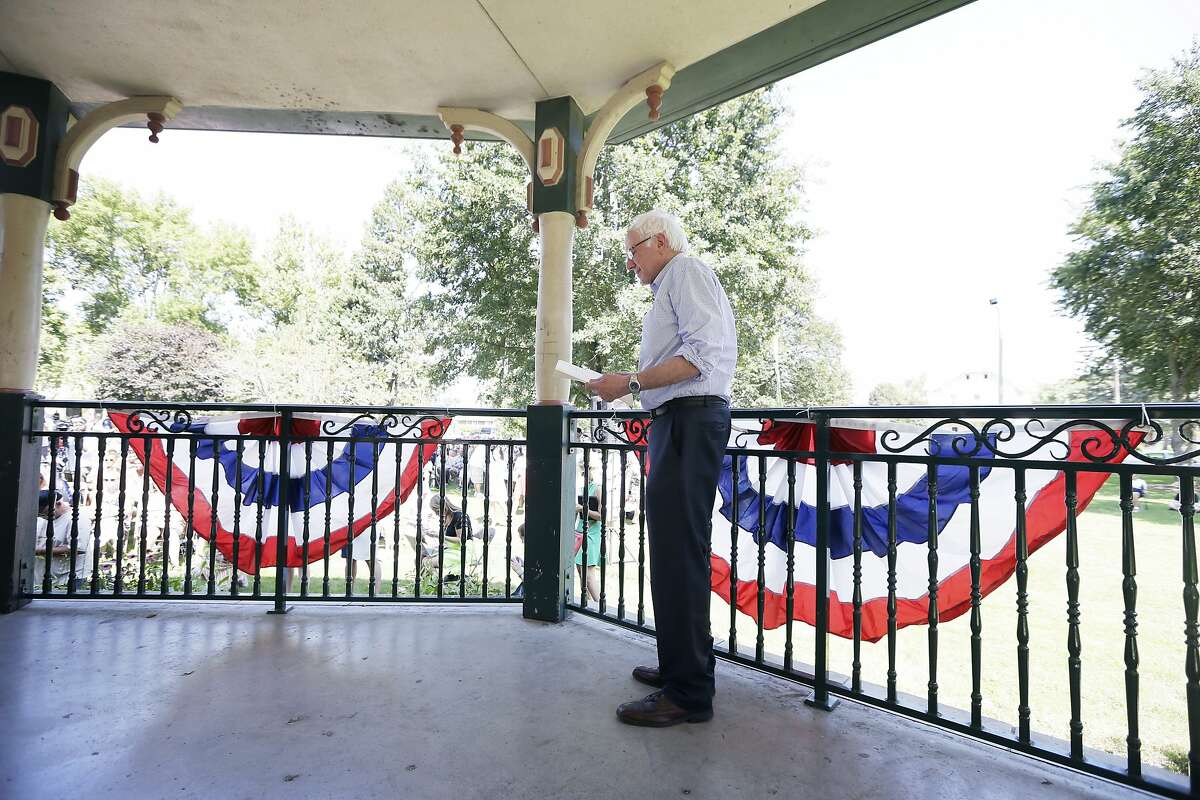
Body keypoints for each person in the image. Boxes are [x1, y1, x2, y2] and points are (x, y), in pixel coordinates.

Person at [587, 209, 737, 727]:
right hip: (677, 421)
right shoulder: (672, 283)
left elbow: (702, 357)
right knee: (671, 552)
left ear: (658, 242)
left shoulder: (687, 272)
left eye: (633, 251)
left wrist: (627, 383)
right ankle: (679, 667)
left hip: (692, 420)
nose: (629, 263)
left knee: (680, 554)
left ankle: (690, 692)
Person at [35, 489, 93, 591]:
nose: (44, 517)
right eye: (40, 514)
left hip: (68, 576)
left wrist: (40, 551)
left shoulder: (77, 519)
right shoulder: (42, 519)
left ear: (58, 503)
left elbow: (77, 549)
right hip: (44, 575)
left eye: (46, 513)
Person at [575, 479, 602, 605]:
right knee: (581, 572)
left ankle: (600, 606)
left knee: (588, 574)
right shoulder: (583, 488)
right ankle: (588, 604)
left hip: (591, 533)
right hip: (580, 532)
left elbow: (601, 516)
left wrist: (582, 509)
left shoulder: (598, 488)